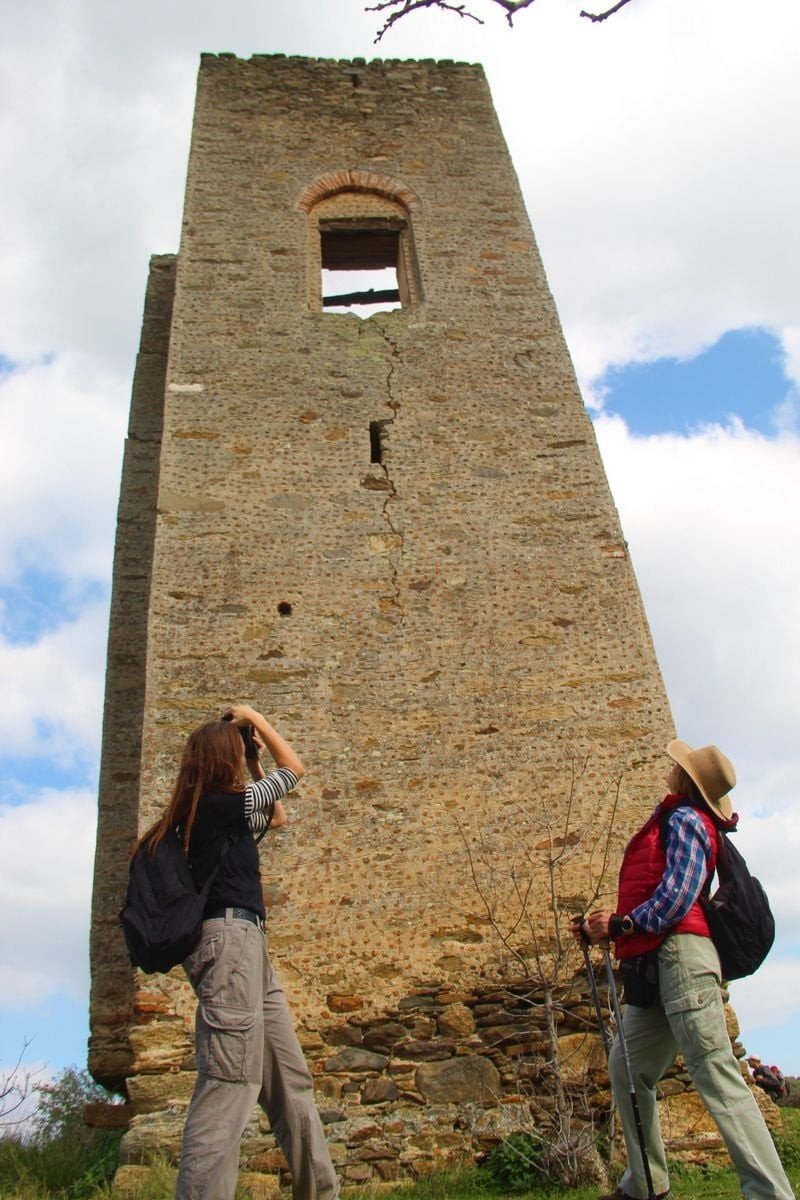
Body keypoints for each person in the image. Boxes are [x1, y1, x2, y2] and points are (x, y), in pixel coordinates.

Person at [572, 740, 795, 1200]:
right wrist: (610, 927)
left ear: (688, 782)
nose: (671, 770)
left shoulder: (688, 820)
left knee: (715, 1073)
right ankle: (647, 1185)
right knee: (627, 1068)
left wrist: (620, 924)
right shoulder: (675, 818)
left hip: (682, 960)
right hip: (656, 963)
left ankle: (771, 1194)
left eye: (679, 768)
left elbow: (677, 896)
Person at [141, 705, 340, 1200]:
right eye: (237, 753)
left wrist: (252, 761)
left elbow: (279, 816)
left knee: (290, 1083)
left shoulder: (224, 807)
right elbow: (294, 772)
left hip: (247, 947)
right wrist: (258, 718)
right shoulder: (213, 804)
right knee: (230, 1083)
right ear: (216, 760)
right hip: (230, 945)